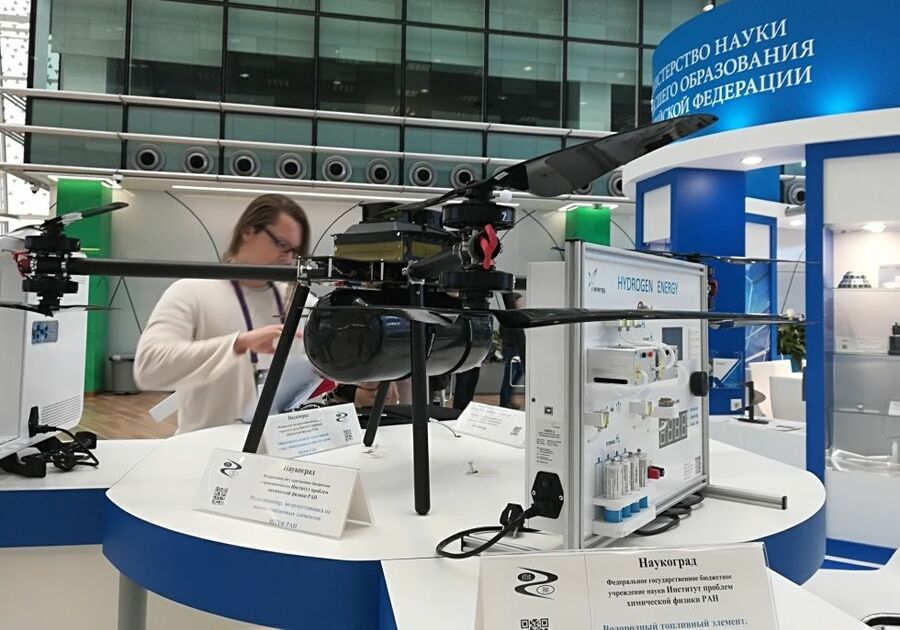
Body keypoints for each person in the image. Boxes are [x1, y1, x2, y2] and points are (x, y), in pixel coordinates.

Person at [134, 194, 314, 434]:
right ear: (248, 232)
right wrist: (238, 344)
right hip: (205, 446)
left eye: (294, 251)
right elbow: (148, 367)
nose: (288, 259)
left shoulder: (301, 301)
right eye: (281, 244)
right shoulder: (190, 291)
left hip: (280, 446)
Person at [499, 292, 525, 409]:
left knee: (518, 372)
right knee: (509, 376)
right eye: (519, 302)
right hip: (511, 348)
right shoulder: (510, 316)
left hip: (515, 348)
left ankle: (507, 398)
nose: (521, 304)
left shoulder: (515, 315)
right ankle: (505, 400)